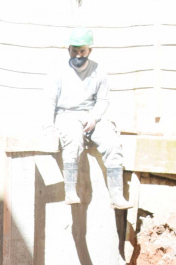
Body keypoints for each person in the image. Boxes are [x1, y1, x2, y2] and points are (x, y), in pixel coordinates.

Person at [45, 27, 131, 209]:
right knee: (73, 141)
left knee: (112, 143)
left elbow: (103, 100)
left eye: (82, 51)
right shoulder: (58, 72)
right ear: (68, 50)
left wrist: (94, 116)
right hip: (66, 114)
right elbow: (49, 101)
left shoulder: (99, 72)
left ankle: (116, 196)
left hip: (91, 115)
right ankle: (70, 191)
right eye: (74, 51)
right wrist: (48, 126)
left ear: (89, 51)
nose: (78, 55)